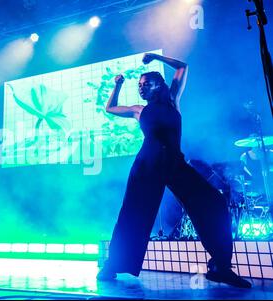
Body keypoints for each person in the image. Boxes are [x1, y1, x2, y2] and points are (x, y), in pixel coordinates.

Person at [97, 53, 251, 288]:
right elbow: (110, 108)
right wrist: (117, 85)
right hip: (147, 164)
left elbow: (182, 66)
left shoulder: (172, 100)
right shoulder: (139, 110)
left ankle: (221, 267)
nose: (141, 88)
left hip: (174, 163)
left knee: (214, 203)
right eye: (139, 85)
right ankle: (112, 265)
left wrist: (156, 57)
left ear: (160, 84)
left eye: (146, 83)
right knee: (132, 211)